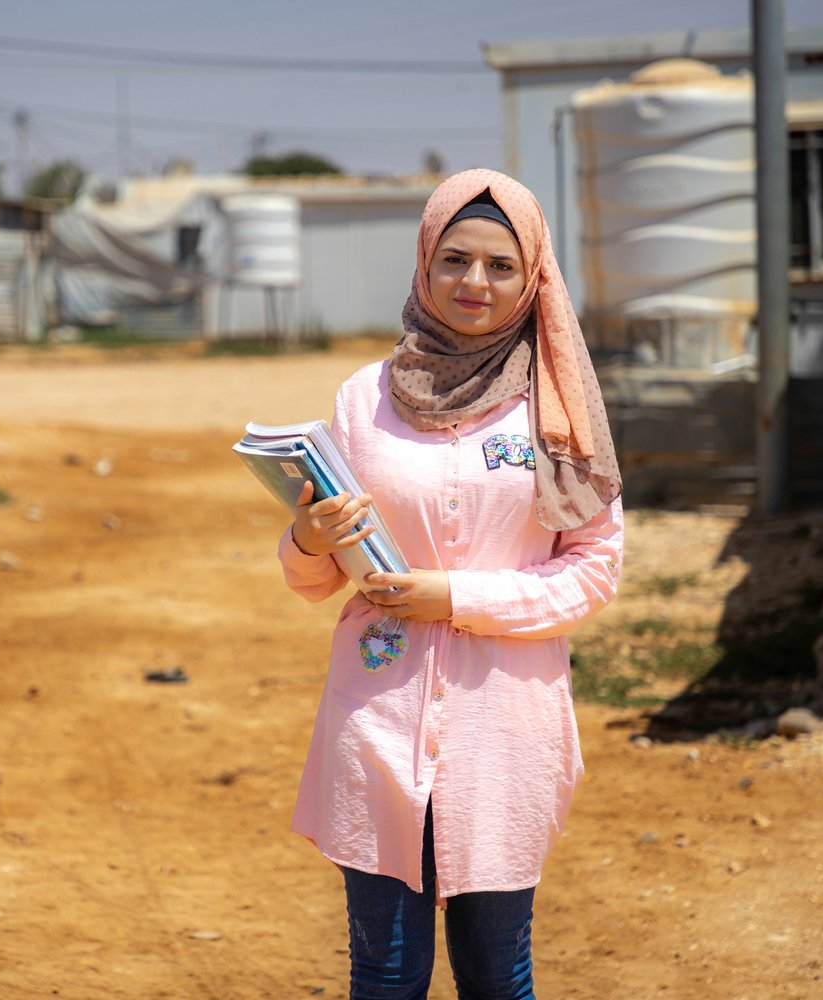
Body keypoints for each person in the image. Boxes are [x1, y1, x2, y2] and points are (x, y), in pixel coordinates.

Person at [278, 168, 624, 1000]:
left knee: (496, 978)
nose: (475, 283)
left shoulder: (558, 404)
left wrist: (458, 600)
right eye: (455, 260)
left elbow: (594, 569)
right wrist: (306, 539)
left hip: (504, 730)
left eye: (501, 265)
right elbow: (314, 578)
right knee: (386, 976)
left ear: (532, 274)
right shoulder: (364, 399)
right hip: (378, 723)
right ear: (424, 264)